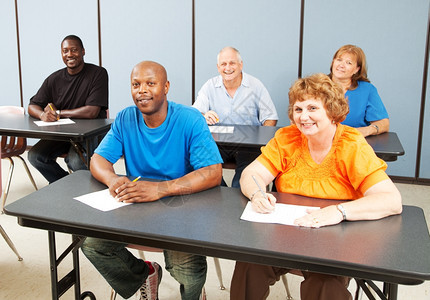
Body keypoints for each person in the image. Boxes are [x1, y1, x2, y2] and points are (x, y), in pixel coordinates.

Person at [230, 73, 402, 300]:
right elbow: (252, 173)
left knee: (324, 283)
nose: (304, 117)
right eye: (298, 109)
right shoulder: (287, 138)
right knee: (249, 264)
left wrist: (338, 211)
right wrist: (257, 192)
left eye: (312, 108)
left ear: (331, 111)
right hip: (286, 233)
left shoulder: (351, 145)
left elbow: (391, 200)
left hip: (335, 238)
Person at [81, 61, 223, 300]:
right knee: (93, 246)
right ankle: (144, 273)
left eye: (150, 83)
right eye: (136, 84)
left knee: (188, 271)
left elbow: (212, 172)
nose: (142, 90)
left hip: (182, 207)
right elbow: (98, 160)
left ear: (166, 87)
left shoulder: (190, 119)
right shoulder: (126, 118)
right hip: (137, 207)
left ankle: (194, 295)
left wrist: (160, 189)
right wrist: (113, 179)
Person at [192, 46, 278, 188]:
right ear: (218, 67)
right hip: (219, 144)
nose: (228, 68)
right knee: (203, 165)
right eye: (223, 64)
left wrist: (262, 141)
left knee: (245, 178)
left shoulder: (255, 85)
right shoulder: (209, 86)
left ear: (240, 65)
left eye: (232, 63)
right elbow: (194, 114)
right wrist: (204, 115)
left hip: (248, 145)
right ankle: (222, 196)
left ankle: (239, 203)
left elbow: (270, 117)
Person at [27, 35, 108, 183]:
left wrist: (58, 113)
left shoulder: (98, 73)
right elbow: (32, 106)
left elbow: (92, 112)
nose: (69, 54)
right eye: (65, 51)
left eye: (74, 50)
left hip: (91, 134)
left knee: (75, 162)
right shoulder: (54, 78)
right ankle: (65, 186)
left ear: (83, 51)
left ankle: (79, 189)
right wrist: (42, 115)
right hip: (64, 134)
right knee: (35, 156)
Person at [329, 44, 389, 137]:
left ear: (357, 69)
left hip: (353, 143)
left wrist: (367, 130)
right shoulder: (316, 85)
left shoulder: (367, 90)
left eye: (348, 63)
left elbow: (384, 123)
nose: (341, 65)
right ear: (333, 62)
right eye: (339, 60)